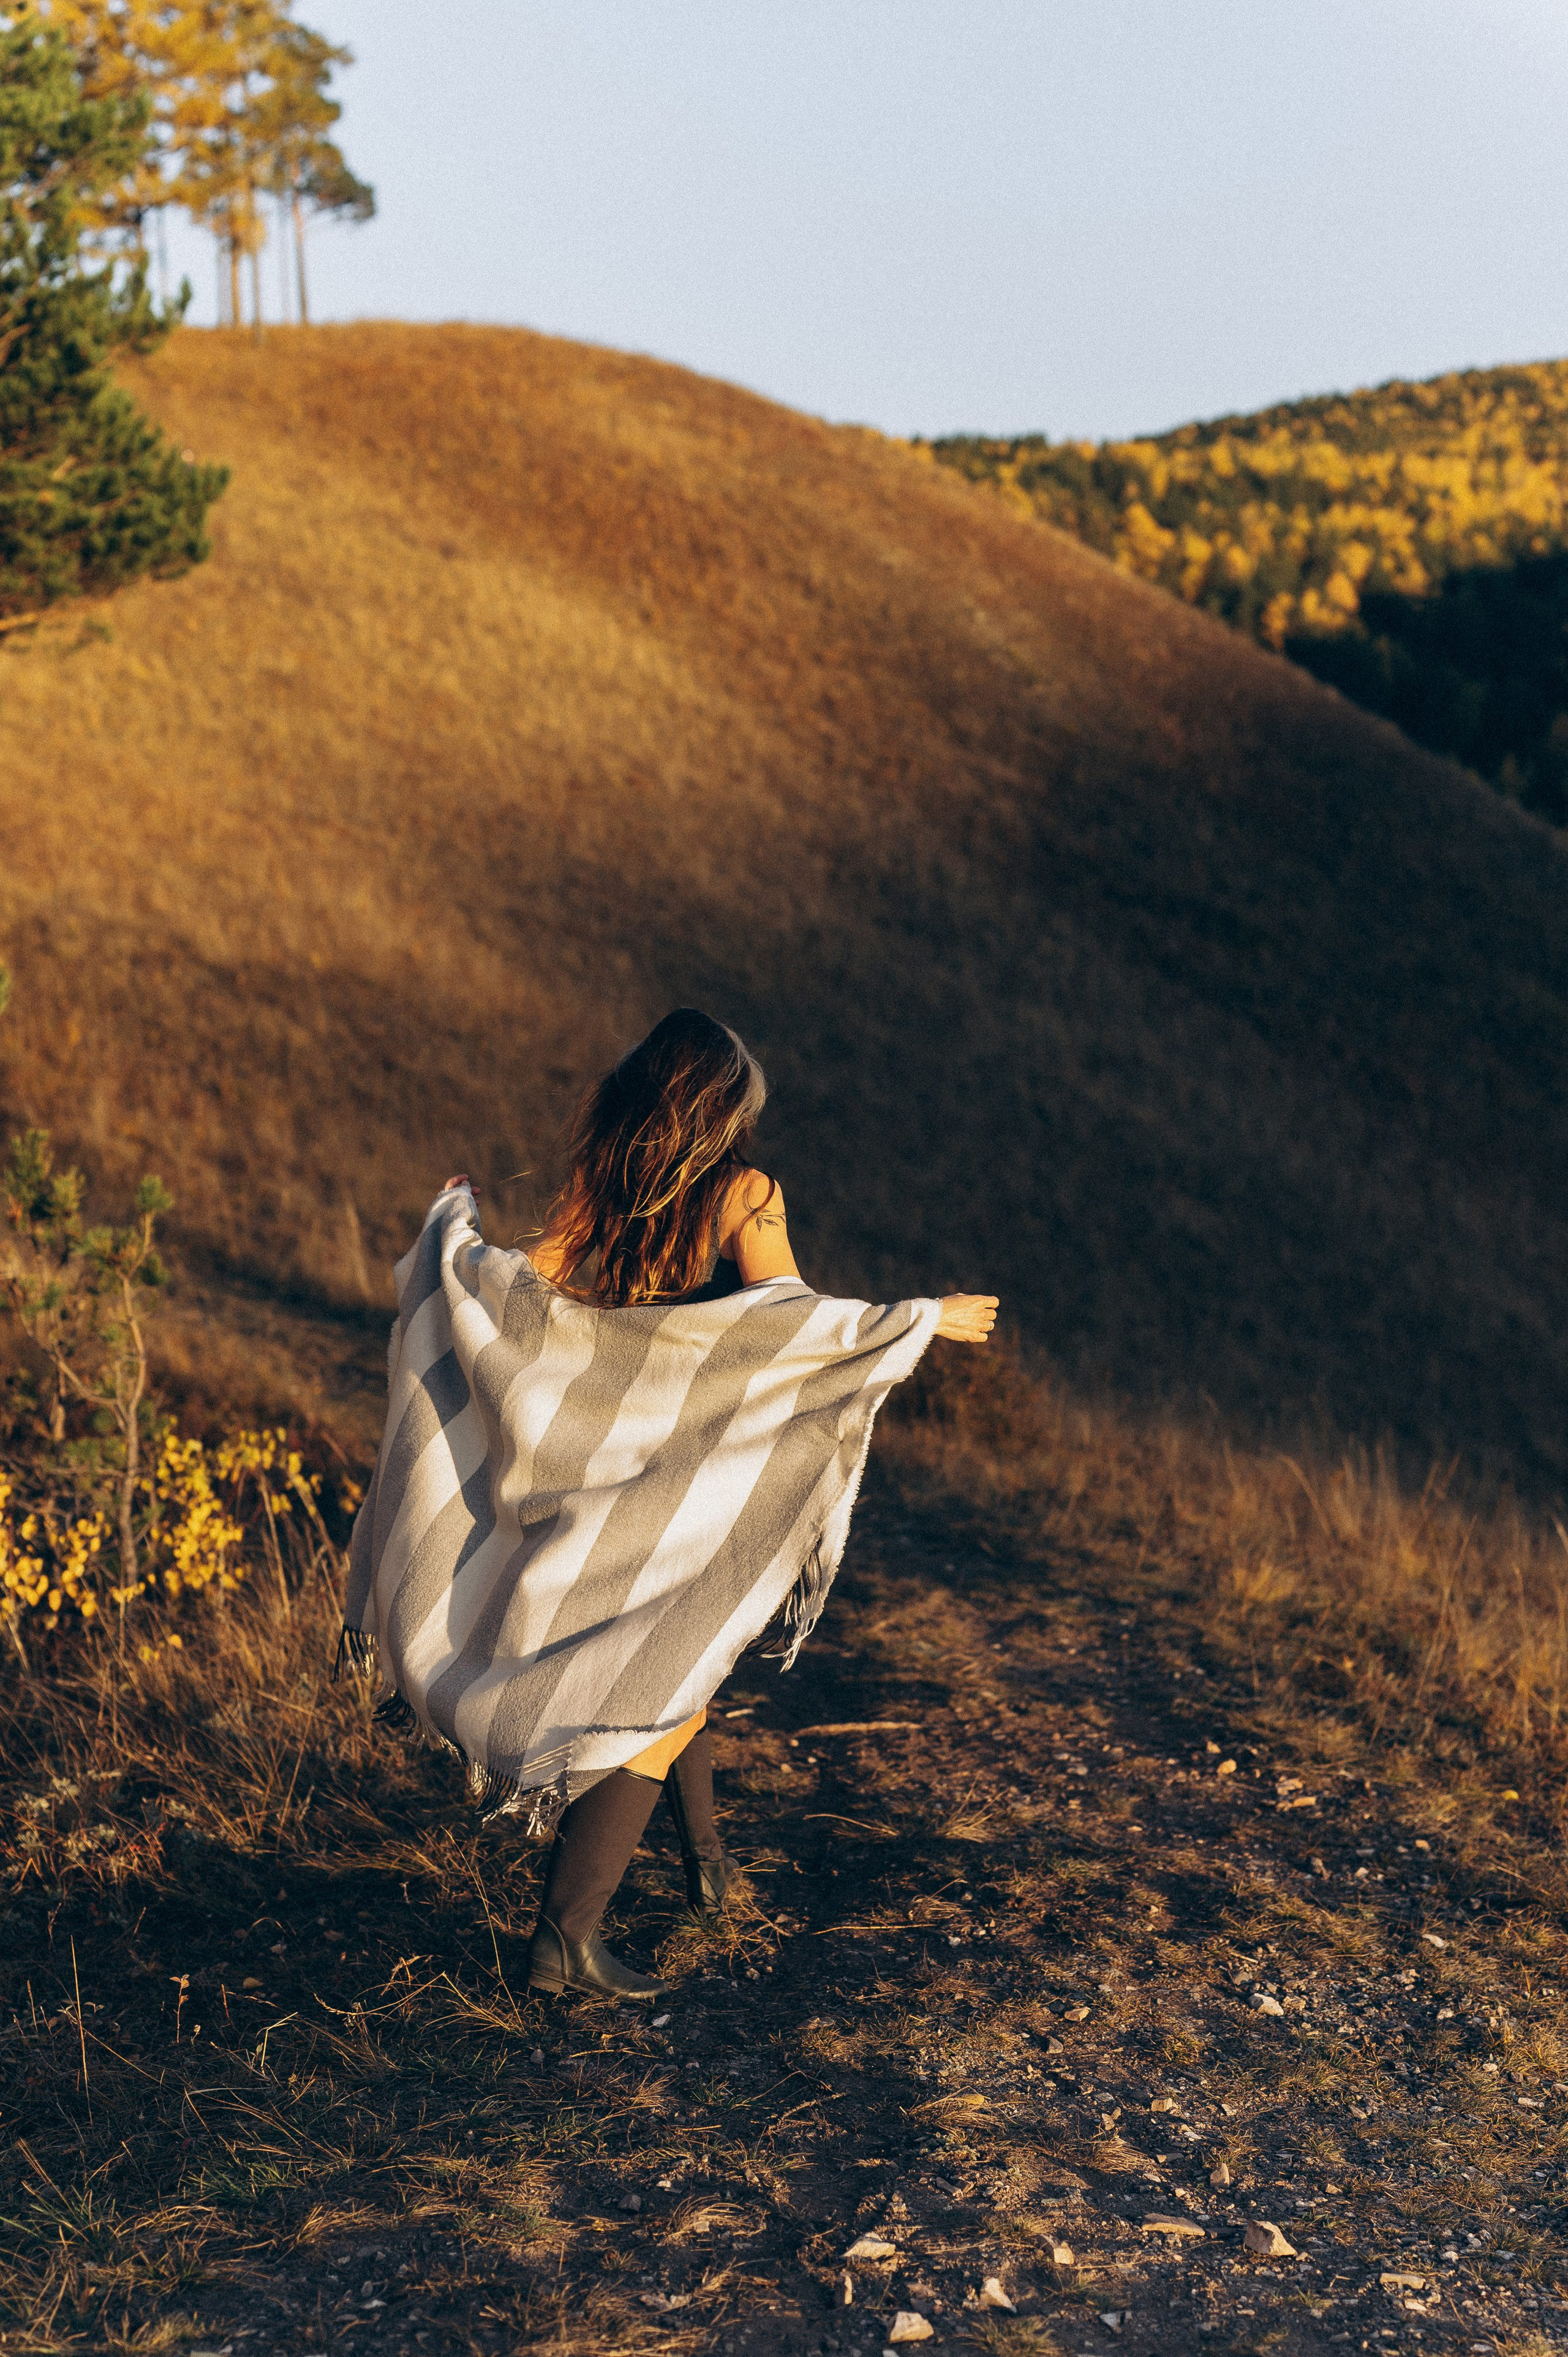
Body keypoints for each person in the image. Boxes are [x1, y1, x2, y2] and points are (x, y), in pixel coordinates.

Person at [345, 1009, 996, 2002]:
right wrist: (914, 1321)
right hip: (686, 1460)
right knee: (659, 1669)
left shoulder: (602, 1181)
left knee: (677, 1647)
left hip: (607, 1457)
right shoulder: (746, 1190)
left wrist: (458, 1244)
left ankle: (709, 1868)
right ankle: (566, 1940)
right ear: (725, 1105)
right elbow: (785, 1322)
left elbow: (532, 1294)